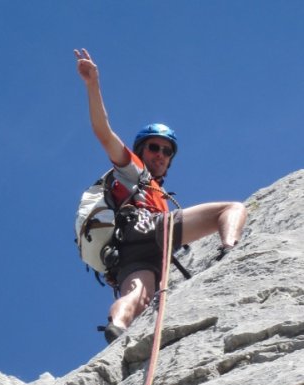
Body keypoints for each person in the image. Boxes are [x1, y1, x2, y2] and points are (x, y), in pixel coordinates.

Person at [74, 48, 247, 344]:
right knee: (230, 209)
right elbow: (103, 132)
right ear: (141, 150)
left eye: (167, 151)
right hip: (147, 228)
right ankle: (231, 251)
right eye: (155, 147)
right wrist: (93, 85)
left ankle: (117, 325)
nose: (161, 154)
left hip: (128, 250)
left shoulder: (151, 187)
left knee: (138, 296)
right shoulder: (132, 168)